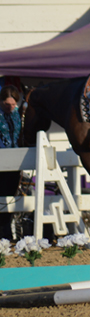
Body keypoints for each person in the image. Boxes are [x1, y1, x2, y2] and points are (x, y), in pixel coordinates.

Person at [0, 85, 23, 239]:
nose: (11, 107)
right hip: (1, 159)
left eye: (13, 104)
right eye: (7, 104)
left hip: (16, 160)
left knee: (11, 196)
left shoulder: (18, 115)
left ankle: (7, 232)